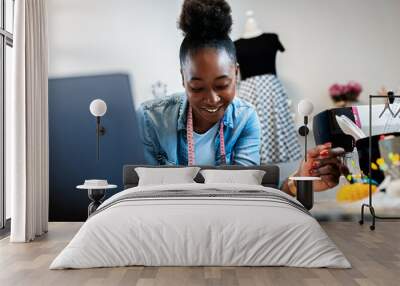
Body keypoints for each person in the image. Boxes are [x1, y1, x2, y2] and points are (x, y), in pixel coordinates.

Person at [137, 0, 348, 196]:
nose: (211, 99)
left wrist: (298, 180)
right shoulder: (149, 119)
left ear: (236, 74)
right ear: (183, 80)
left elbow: (247, 192)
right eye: (197, 87)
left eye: (222, 85)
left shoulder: (245, 118)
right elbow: (142, 192)